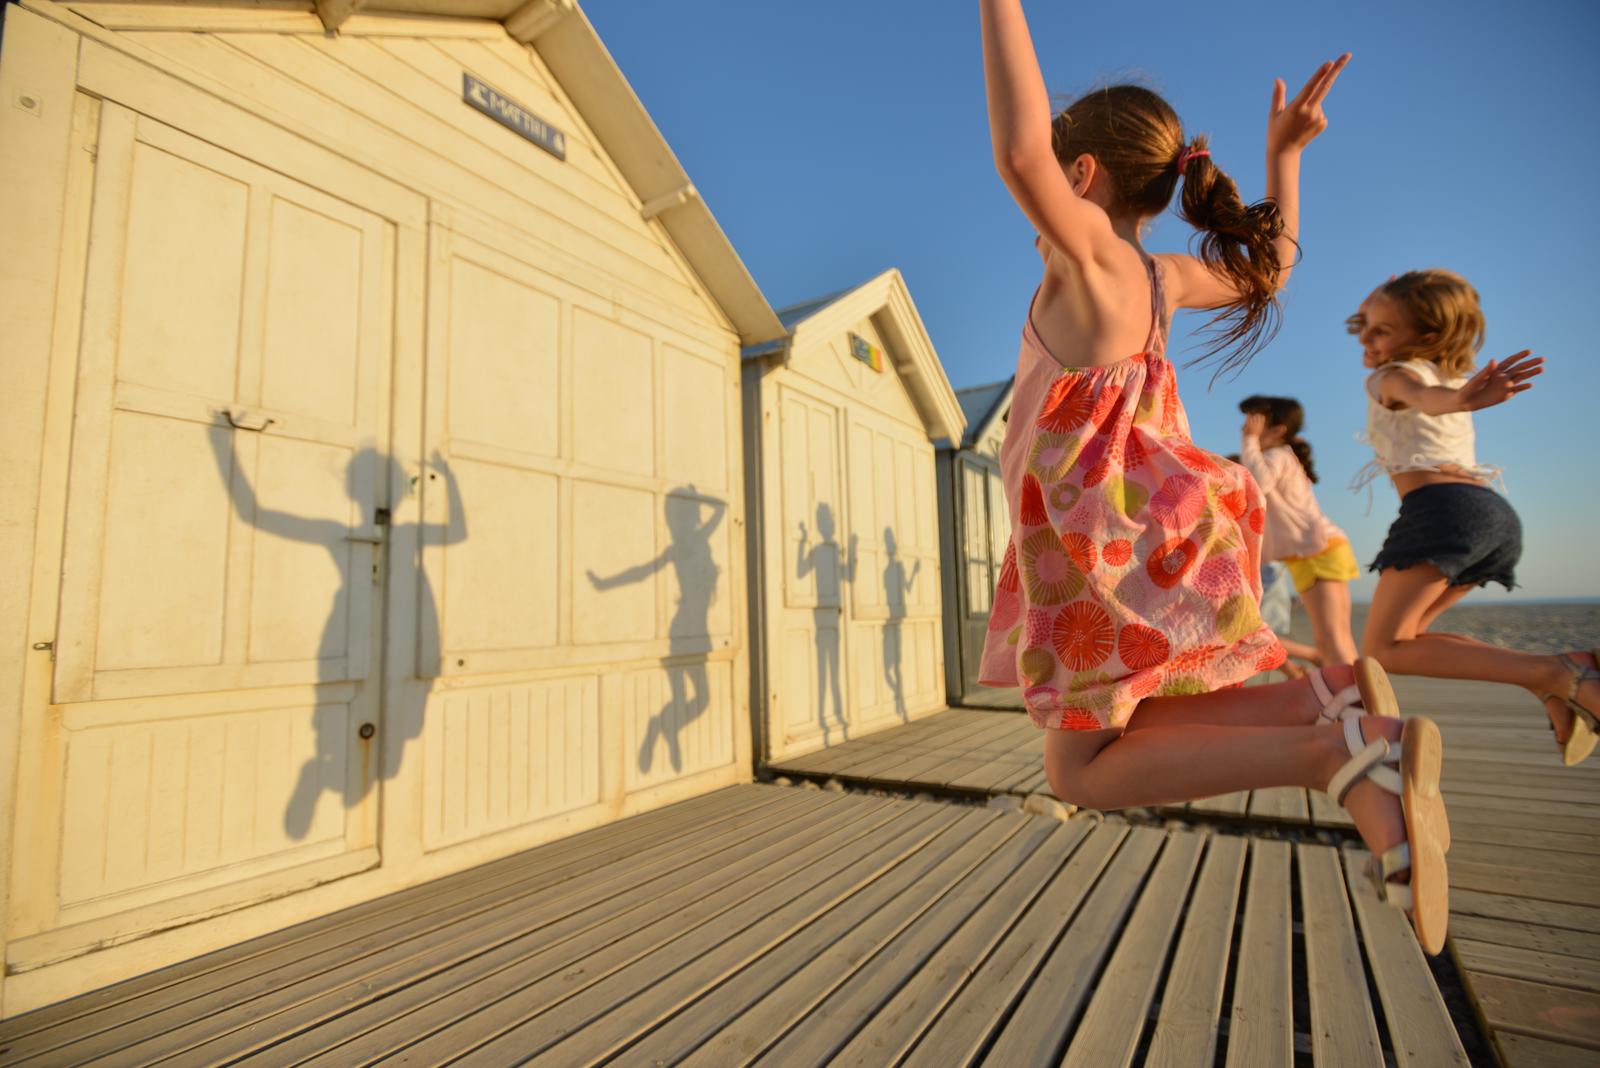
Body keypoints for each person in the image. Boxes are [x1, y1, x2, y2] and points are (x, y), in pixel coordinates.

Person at [974, 0, 1447, 952]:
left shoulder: (1090, 259)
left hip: (1092, 547)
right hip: (1156, 527)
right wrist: (1286, 160)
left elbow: (1020, 153)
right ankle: (1328, 703)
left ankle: (1338, 754)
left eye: (1058, 179)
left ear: (1081, 176)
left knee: (1078, 772)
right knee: (1141, 718)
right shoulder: (1160, 278)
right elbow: (1271, 270)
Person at [1349, 270, 1598, 764]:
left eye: (1381, 330)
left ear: (1425, 336)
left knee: (1384, 648)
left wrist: (1462, 400)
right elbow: (1429, 386)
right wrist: (1378, 305)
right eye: (1365, 327)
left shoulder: (1393, 377)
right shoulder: (1444, 373)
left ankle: (1558, 673)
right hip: (1491, 515)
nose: (1366, 338)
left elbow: (1423, 398)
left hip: (1444, 514)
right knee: (1410, 638)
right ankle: (1553, 682)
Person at [1238, 395, 1360, 666]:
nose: (1245, 428)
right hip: (1317, 551)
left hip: (1317, 551)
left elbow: (1259, 483)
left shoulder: (1278, 455)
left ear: (1278, 430)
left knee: (1333, 640)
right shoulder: (1283, 457)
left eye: (1254, 423)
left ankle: (1355, 694)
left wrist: (1249, 441)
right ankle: (1353, 691)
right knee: (1333, 640)